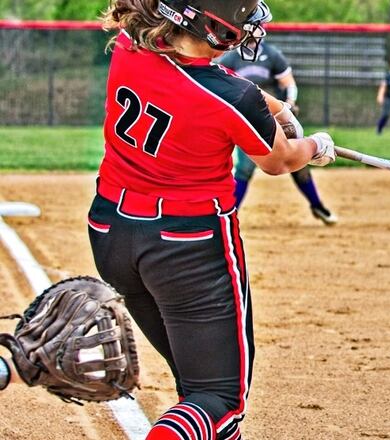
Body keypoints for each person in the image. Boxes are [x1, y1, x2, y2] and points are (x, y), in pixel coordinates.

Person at [92, 1, 335, 439]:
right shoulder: (232, 97)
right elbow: (279, 161)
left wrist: (276, 108)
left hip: (111, 235)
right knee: (218, 399)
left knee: (196, 390)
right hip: (187, 246)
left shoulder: (132, 44)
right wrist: (316, 146)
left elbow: (201, 80)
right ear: (215, 27)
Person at [217, 42, 338, 225]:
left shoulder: (271, 54)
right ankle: (229, 216)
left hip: (274, 118)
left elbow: (289, 83)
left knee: (298, 163)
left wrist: (290, 103)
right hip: (246, 120)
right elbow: (217, 84)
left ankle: (317, 206)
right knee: (245, 168)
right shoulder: (232, 57)